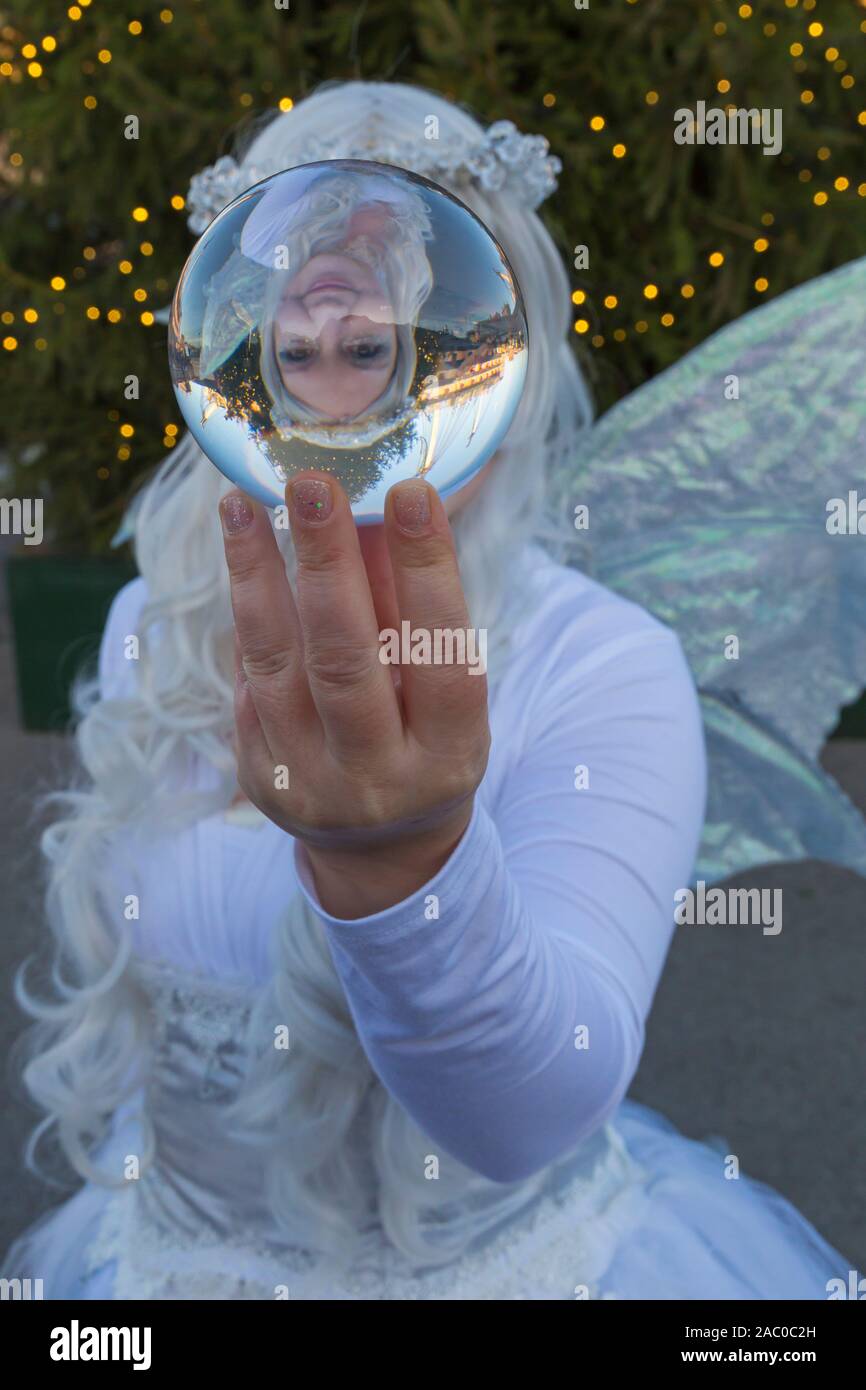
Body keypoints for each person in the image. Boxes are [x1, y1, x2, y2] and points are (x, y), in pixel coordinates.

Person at [3, 81, 863, 1300]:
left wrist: (405, 867)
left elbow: (530, 1112)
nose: (341, 407)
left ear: (488, 371)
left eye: (377, 351)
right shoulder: (168, 613)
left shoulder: (599, 666)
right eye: (296, 352)